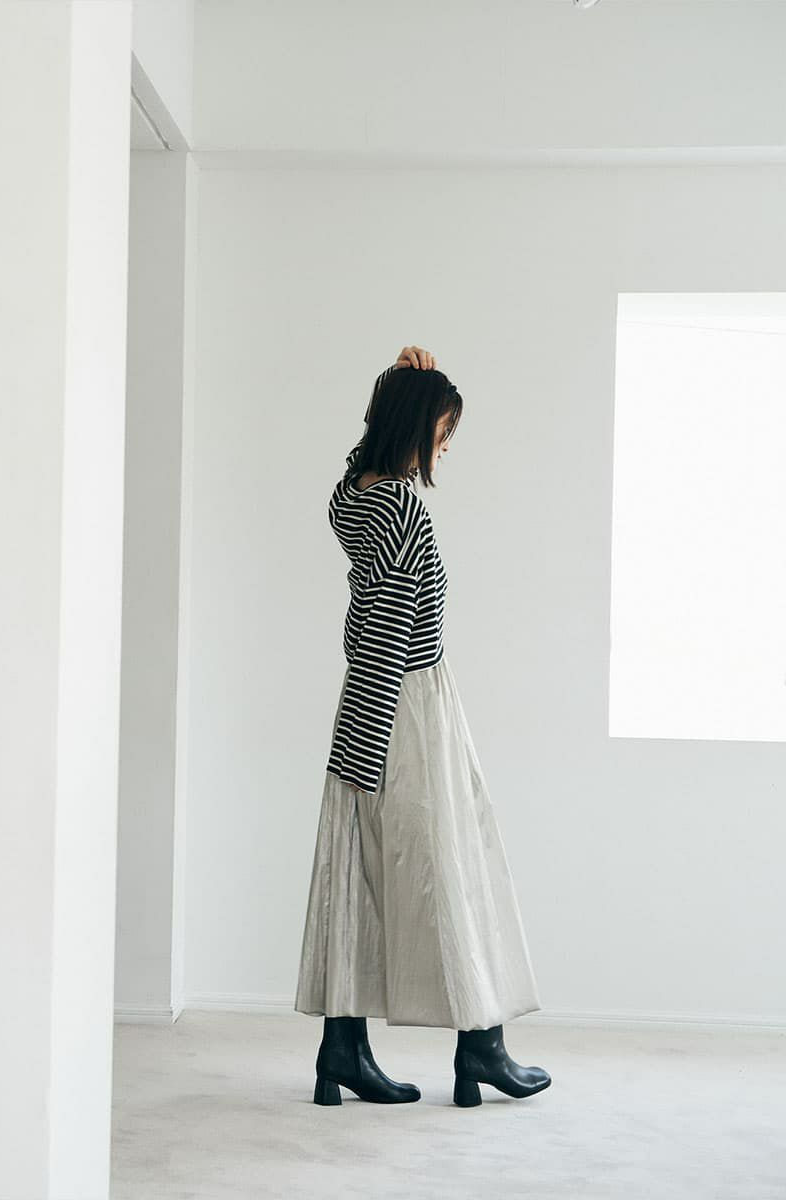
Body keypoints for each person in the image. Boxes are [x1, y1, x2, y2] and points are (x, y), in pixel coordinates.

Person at [294, 345, 552, 1109]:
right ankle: (481, 1049)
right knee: (450, 869)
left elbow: (364, 467)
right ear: (416, 428)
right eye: (443, 430)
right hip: (404, 706)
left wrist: (400, 382)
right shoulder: (403, 509)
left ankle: (343, 1050)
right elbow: (389, 627)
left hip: (375, 701)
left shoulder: (352, 495)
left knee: (359, 874)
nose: (446, 445)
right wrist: (368, 747)